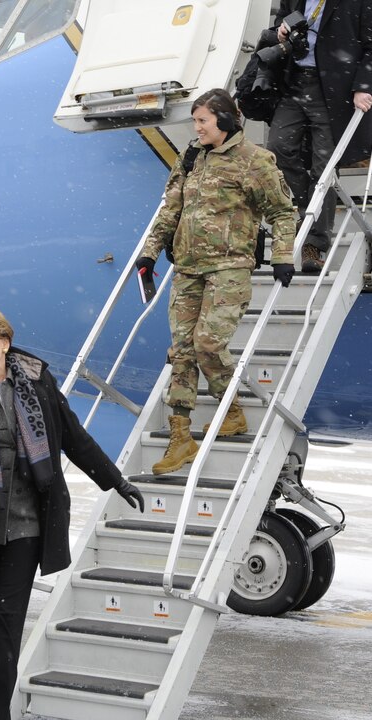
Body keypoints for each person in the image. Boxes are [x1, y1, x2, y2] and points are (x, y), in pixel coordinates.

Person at [0, 304, 144, 720]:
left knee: (6, 626)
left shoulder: (36, 381)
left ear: (5, 342)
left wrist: (116, 480)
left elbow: (73, 437)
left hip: (25, 528)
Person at [134, 88, 298, 476]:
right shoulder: (191, 158)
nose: (197, 128)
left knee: (208, 343)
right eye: (195, 121)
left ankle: (233, 411)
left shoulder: (254, 161)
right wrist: (149, 253)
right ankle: (180, 437)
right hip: (188, 267)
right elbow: (170, 208)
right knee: (181, 351)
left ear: (224, 120)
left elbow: (282, 211)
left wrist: (283, 255)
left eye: (202, 120)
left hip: (229, 267)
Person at [266, 0, 372, 273]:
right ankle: (301, 218)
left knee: (324, 167)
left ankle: (315, 243)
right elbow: (278, 24)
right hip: (295, 82)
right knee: (277, 148)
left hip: (334, 91)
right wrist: (281, 31)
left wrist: (363, 86)